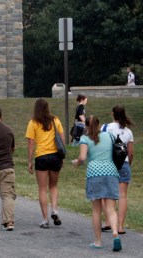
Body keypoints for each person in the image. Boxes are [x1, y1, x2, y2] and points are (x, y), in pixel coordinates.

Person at [72, 116, 122, 251]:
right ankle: (115, 234)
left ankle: (98, 241)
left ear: (86, 126)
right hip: (111, 172)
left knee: (96, 210)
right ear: (99, 124)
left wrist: (77, 163)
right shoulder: (109, 136)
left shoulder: (85, 139)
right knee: (111, 209)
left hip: (94, 173)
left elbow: (82, 157)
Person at [25, 98, 65, 229]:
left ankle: (45, 219)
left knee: (42, 189)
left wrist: (29, 161)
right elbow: (62, 138)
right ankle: (54, 210)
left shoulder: (33, 123)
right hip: (55, 156)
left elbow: (31, 143)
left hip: (41, 156)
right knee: (53, 186)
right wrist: (62, 157)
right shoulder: (56, 120)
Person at [100, 105, 134, 235]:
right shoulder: (128, 132)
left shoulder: (105, 128)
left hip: (109, 164)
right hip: (123, 165)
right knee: (123, 196)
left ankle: (108, 222)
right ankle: (120, 226)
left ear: (112, 114)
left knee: (107, 194)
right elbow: (130, 153)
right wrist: (128, 164)